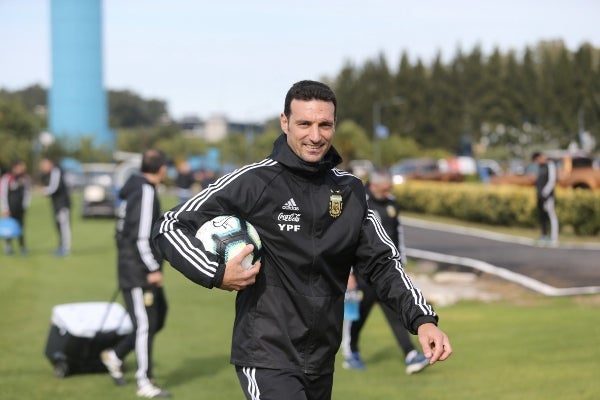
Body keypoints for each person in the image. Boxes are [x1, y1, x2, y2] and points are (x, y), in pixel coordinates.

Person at [152, 80, 452, 400]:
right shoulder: (255, 182)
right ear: (285, 123)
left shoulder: (350, 193)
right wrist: (215, 271)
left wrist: (422, 319)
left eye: (324, 125)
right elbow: (168, 224)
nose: (315, 135)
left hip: (322, 358)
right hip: (266, 353)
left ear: (334, 125)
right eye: (304, 124)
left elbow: (382, 263)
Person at [341, 169, 429, 374]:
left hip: (386, 272)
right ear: (374, 185)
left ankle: (410, 353)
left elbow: (398, 234)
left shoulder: (391, 203)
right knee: (356, 316)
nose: (389, 190)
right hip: (361, 272)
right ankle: (351, 353)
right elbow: (346, 239)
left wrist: (401, 265)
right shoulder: (357, 200)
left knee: (395, 313)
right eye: (386, 187)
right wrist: (349, 273)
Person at [101, 149, 170, 398]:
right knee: (144, 325)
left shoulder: (134, 188)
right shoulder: (146, 191)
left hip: (131, 266)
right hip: (139, 271)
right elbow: (141, 236)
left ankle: (115, 355)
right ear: (161, 168)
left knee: (157, 318)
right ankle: (144, 381)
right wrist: (152, 268)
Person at [39, 157, 71, 256]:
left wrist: (44, 191)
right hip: (57, 204)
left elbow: (54, 187)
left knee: (64, 226)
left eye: (44, 165)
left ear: (49, 163)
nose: (43, 167)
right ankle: (61, 246)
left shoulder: (56, 171)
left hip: (62, 204)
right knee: (58, 226)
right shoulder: (50, 173)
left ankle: (66, 248)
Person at [0, 160, 32, 255]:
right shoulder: (7, 178)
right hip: (10, 207)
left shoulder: (25, 178)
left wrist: (25, 205)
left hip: (20, 207)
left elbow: (27, 192)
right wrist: (5, 208)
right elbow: (3, 194)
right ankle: (8, 246)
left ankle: (22, 246)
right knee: (8, 227)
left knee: (20, 227)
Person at [531, 152, 558, 246]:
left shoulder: (550, 165)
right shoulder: (541, 167)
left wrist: (545, 193)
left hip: (548, 196)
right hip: (540, 196)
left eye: (537, 160)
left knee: (551, 215)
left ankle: (554, 238)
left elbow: (552, 180)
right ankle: (544, 235)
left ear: (539, 157)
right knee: (542, 216)